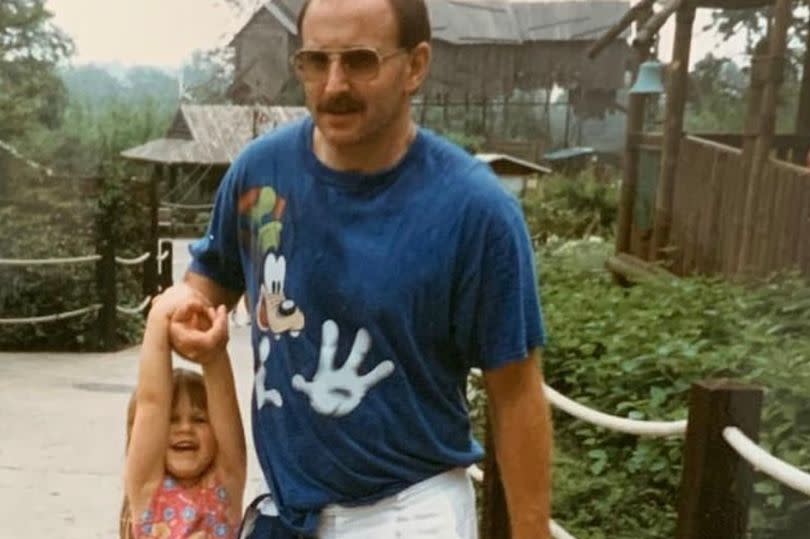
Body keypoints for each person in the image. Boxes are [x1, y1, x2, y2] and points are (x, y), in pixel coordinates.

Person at [170, 0, 552, 537]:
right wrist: (185, 313)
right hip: (285, 510)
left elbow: (515, 391)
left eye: (360, 61)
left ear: (415, 66)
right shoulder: (260, 174)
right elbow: (207, 285)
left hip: (407, 514)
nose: (333, 86)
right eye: (315, 62)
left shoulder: (476, 212)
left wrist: (530, 532)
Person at [121, 285, 247, 538]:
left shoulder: (226, 484)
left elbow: (225, 402)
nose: (185, 428)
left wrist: (210, 342)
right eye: (171, 420)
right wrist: (159, 318)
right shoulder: (147, 491)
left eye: (200, 419)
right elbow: (152, 403)